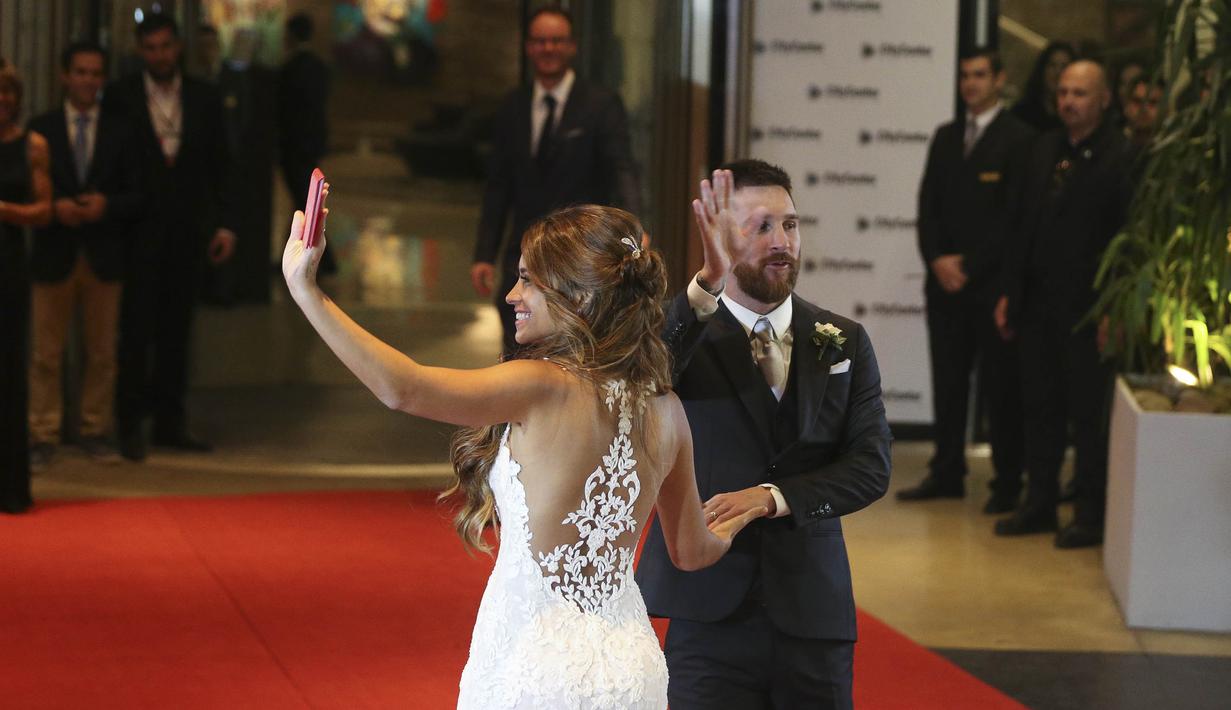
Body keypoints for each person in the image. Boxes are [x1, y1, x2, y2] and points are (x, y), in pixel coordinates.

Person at [283, 199, 765, 708]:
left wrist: (306, 291)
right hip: (632, 671)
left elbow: (404, 388)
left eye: (528, 280)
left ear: (579, 295)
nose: (512, 295)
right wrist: (745, 511)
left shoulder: (541, 385)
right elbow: (692, 551)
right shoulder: (668, 411)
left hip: (535, 669)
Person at [636, 161, 893, 709]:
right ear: (722, 238)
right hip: (707, 612)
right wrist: (707, 281)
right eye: (761, 227)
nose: (782, 243)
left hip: (813, 613)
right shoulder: (681, 336)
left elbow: (871, 467)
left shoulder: (844, 340)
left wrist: (771, 499)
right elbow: (645, 376)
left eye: (791, 225)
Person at [995, 60, 1136, 548]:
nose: (1069, 101)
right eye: (1063, 92)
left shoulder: (1123, 155)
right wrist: (1011, 293)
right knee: (1039, 408)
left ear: (1103, 99)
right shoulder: (1043, 148)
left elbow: (1128, 241)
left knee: (1086, 416)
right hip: (1037, 305)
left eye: (1080, 93)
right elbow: (1020, 226)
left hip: (1090, 310)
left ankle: (1090, 514)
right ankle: (1039, 503)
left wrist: (1116, 311)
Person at [897, 48, 1034, 513]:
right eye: (964, 76)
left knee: (1001, 388)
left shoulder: (1021, 139)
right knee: (949, 382)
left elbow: (1016, 219)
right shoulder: (946, 136)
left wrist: (970, 265)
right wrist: (937, 259)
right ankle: (947, 471)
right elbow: (927, 207)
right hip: (945, 287)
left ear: (999, 79)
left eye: (980, 75)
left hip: (991, 287)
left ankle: (1008, 481)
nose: (971, 84)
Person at [470, 5, 640, 357]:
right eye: (540, 41)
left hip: (578, 255)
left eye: (557, 41)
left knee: (576, 348)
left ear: (572, 47)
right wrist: (483, 253)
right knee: (516, 343)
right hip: (521, 254)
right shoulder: (512, 107)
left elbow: (621, 169)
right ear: (529, 48)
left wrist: (633, 231)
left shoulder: (601, 105)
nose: (548, 48)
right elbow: (498, 187)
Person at [104, 13, 237, 461]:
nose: (159, 55)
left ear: (177, 47)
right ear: (140, 51)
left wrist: (224, 223)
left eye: (165, 46)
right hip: (137, 231)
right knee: (135, 332)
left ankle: (169, 422)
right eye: (150, 48)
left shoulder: (205, 97)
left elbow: (222, 163)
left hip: (188, 230)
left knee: (177, 332)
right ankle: (128, 426)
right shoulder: (121, 96)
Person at [27, 41, 142, 468]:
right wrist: (54, 208)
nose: (88, 81)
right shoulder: (41, 128)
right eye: (81, 72)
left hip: (104, 253)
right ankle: (42, 434)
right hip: (53, 250)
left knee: (101, 353)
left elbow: (138, 194)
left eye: (96, 74)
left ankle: (94, 430)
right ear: (64, 75)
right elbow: (23, 187)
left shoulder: (121, 128)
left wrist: (105, 206)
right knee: (45, 353)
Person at [0, 58, 52, 513]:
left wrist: (3, 211)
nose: (3, 99)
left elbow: (44, 210)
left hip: (10, 266)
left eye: (8, 91)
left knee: (10, 371)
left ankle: (12, 487)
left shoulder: (33, 145)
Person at [278, 12, 335, 277]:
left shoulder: (291, 68)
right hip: (311, 142)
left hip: (294, 144)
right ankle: (299, 253)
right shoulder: (319, 66)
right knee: (303, 198)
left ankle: (323, 257)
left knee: (303, 198)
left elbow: (288, 111)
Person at [1011, 41, 1075, 133]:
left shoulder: (1074, 117)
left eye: (1064, 67)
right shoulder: (1021, 113)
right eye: (1052, 65)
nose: (1057, 72)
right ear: (1042, 69)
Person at [1123, 75, 1162, 149]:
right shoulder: (1109, 145)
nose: (1144, 109)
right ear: (1126, 105)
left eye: (1153, 102)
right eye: (1137, 101)